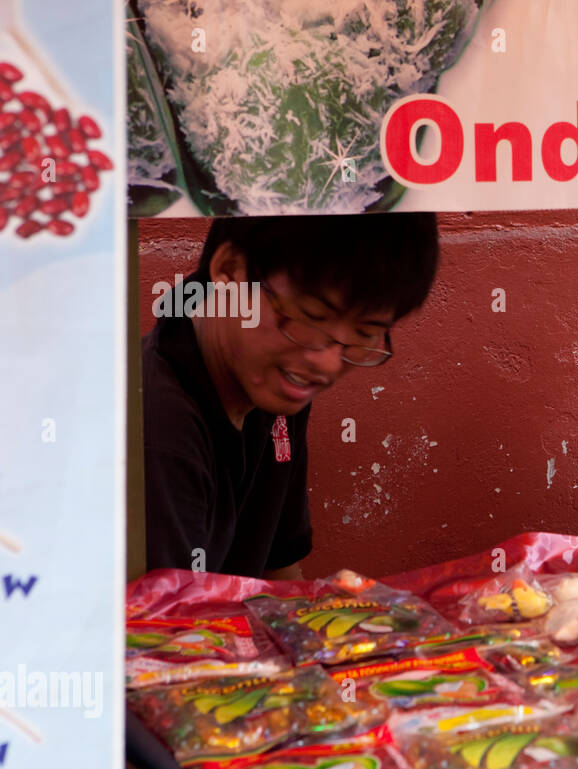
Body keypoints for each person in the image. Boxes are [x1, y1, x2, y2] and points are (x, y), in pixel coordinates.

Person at [142, 213, 439, 578]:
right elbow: (162, 627)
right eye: (311, 319)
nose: (328, 365)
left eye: (363, 335)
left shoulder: (275, 389)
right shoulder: (155, 426)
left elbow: (279, 571)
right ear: (232, 271)